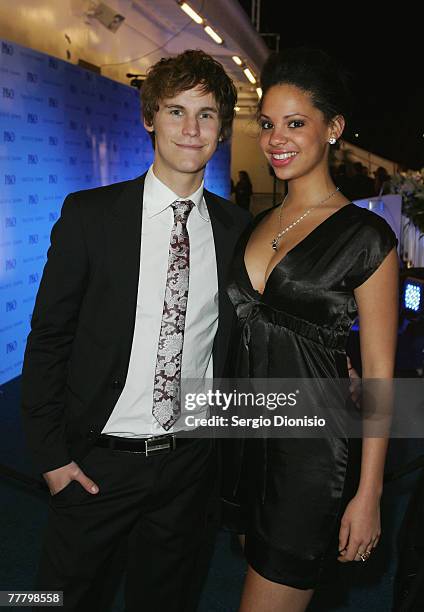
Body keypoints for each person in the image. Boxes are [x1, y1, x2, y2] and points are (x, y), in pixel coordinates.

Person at [21, 50, 250, 612]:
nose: (191, 129)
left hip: (189, 467)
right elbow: (50, 337)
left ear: (222, 127)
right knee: (51, 598)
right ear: (150, 118)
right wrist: (51, 457)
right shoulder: (89, 215)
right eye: (176, 111)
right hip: (96, 461)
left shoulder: (240, 231)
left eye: (206, 113)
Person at [223, 48, 398, 612]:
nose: (277, 138)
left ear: (334, 128)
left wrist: (369, 493)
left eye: (296, 123)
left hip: (311, 459)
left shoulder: (367, 237)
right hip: (249, 444)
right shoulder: (256, 223)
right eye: (268, 124)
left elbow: (378, 377)